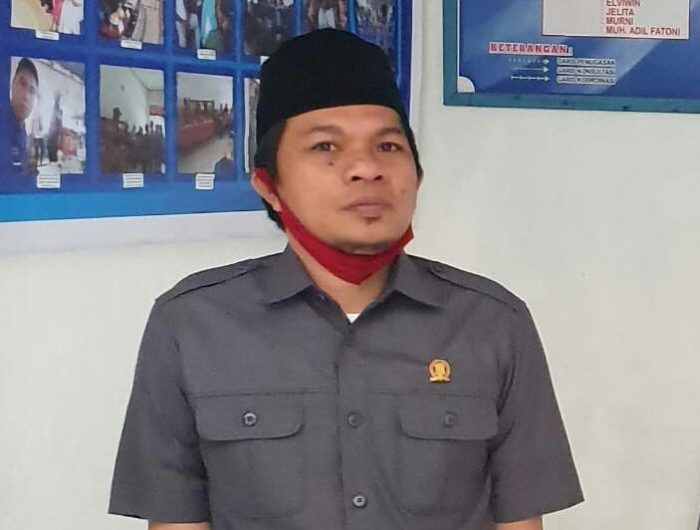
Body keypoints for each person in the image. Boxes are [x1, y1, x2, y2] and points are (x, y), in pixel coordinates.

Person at [109, 29, 583, 530]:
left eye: (388, 145)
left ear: (417, 175)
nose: (365, 168)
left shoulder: (492, 324)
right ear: (269, 186)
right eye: (325, 146)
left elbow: (519, 521)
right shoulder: (191, 325)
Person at [7, 58, 39, 179]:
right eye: (22, 84)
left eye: (32, 91)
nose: (26, 96)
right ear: (12, 85)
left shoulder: (21, 127)